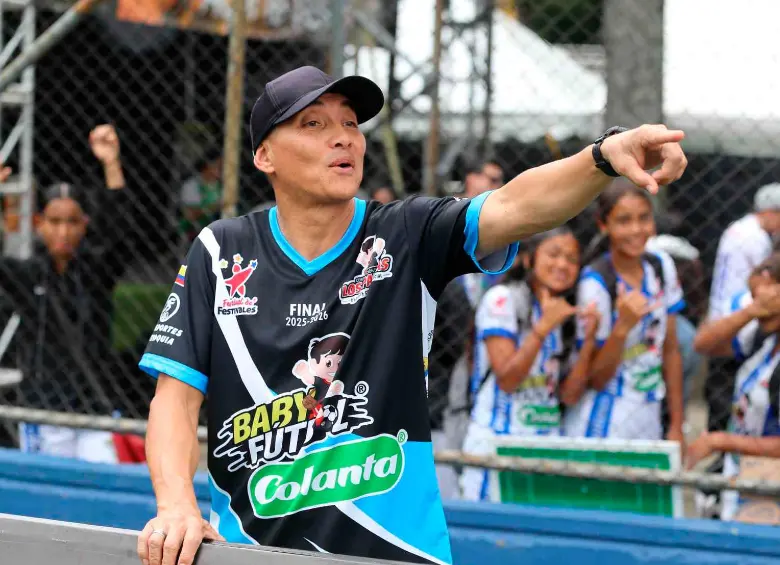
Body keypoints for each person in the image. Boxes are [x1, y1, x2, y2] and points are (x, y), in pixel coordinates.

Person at [136, 65, 687, 565]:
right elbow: (175, 400)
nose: (342, 137)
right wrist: (177, 505)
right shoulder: (221, 251)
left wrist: (601, 157)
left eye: (350, 123)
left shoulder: (404, 234)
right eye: (312, 124)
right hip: (253, 554)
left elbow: (516, 205)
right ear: (265, 156)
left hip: (397, 555)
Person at [0, 124, 131, 462]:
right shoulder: (27, 273)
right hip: (43, 409)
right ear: (39, 223)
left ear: (84, 225)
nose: (63, 231)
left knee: (101, 491)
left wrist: (111, 164)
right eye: (54, 221)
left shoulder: (95, 271)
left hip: (93, 407)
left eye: (72, 222)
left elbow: (120, 232)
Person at [460, 227, 599, 501]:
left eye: (572, 259)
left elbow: (570, 395)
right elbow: (508, 380)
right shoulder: (502, 300)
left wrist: (590, 339)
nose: (563, 265)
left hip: (546, 446)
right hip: (497, 443)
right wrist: (542, 329)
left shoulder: (567, 311)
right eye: (554, 255)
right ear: (529, 259)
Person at [563, 181, 685, 442]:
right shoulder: (595, 283)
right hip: (605, 420)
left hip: (650, 413)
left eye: (644, 218)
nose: (637, 230)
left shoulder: (661, 266)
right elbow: (596, 379)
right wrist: (623, 327)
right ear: (603, 225)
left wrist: (676, 424)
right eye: (624, 221)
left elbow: (671, 348)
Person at [688, 254, 780, 520]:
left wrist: (722, 441)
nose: (761, 307)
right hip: (744, 478)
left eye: (768, 301)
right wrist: (748, 312)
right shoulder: (763, 339)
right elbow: (703, 343)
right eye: (754, 296)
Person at [705, 182, 780, 432]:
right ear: (770, 212)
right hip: (743, 316)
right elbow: (764, 279)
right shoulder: (757, 238)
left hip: (725, 312)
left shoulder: (737, 228)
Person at [178, 149, 223, 244]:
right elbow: (191, 215)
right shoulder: (192, 185)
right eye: (217, 166)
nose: (220, 170)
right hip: (196, 231)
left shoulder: (222, 185)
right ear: (206, 167)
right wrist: (216, 206)